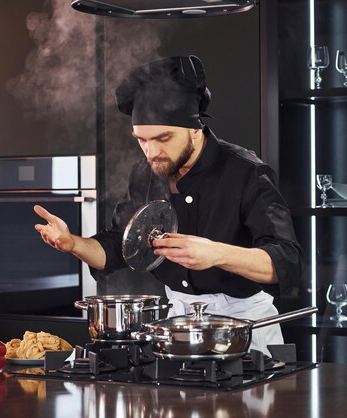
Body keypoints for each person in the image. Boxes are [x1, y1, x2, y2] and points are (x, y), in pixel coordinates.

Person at [34, 55, 303, 354]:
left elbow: (287, 262)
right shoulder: (143, 174)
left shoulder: (246, 172)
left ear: (195, 128)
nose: (152, 152)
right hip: (176, 328)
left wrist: (216, 254)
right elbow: (117, 248)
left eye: (163, 138)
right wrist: (72, 243)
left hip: (243, 327)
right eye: (142, 140)